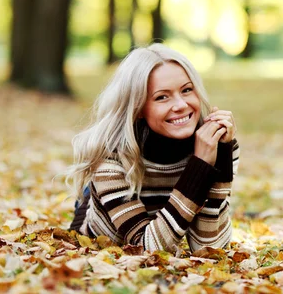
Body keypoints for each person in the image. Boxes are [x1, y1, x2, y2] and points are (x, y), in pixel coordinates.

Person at [66, 43, 239, 253]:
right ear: (138, 107)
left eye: (186, 90)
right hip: (104, 228)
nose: (181, 105)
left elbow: (209, 247)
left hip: (161, 220)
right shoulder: (110, 157)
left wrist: (216, 160)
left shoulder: (214, 143)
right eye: (161, 97)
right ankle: (89, 195)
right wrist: (198, 168)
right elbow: (147, 248)